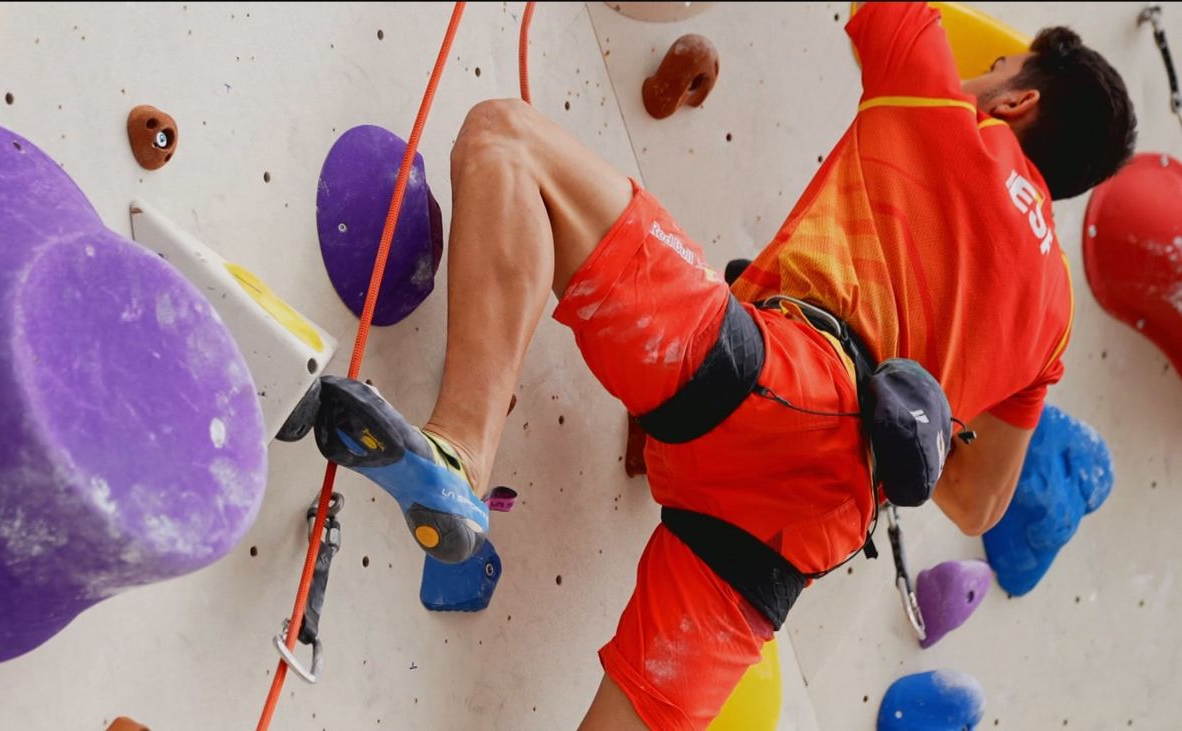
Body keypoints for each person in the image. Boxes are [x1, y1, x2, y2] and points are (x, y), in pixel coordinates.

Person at [305, 3, 1136, 728]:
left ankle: (460, 454)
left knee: (504, 140)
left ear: (1019, 100)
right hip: (793, 539)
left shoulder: (937, 101)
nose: (972, 79)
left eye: (992, 72)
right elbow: (975, 497)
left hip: (769, 382)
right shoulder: (1052, 326)